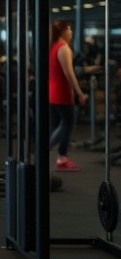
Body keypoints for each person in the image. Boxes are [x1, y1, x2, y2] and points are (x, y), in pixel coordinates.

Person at [48, 19, 87, 172]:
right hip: (62, 93)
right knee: (68, 124)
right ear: (64, 31)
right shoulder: (64, 48)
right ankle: (59, 156)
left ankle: (57, 156)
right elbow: (69, 74)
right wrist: (80, 93)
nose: (71, 32)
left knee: (59, 125)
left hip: (53, 92)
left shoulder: (53, 47)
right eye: (69, 29)